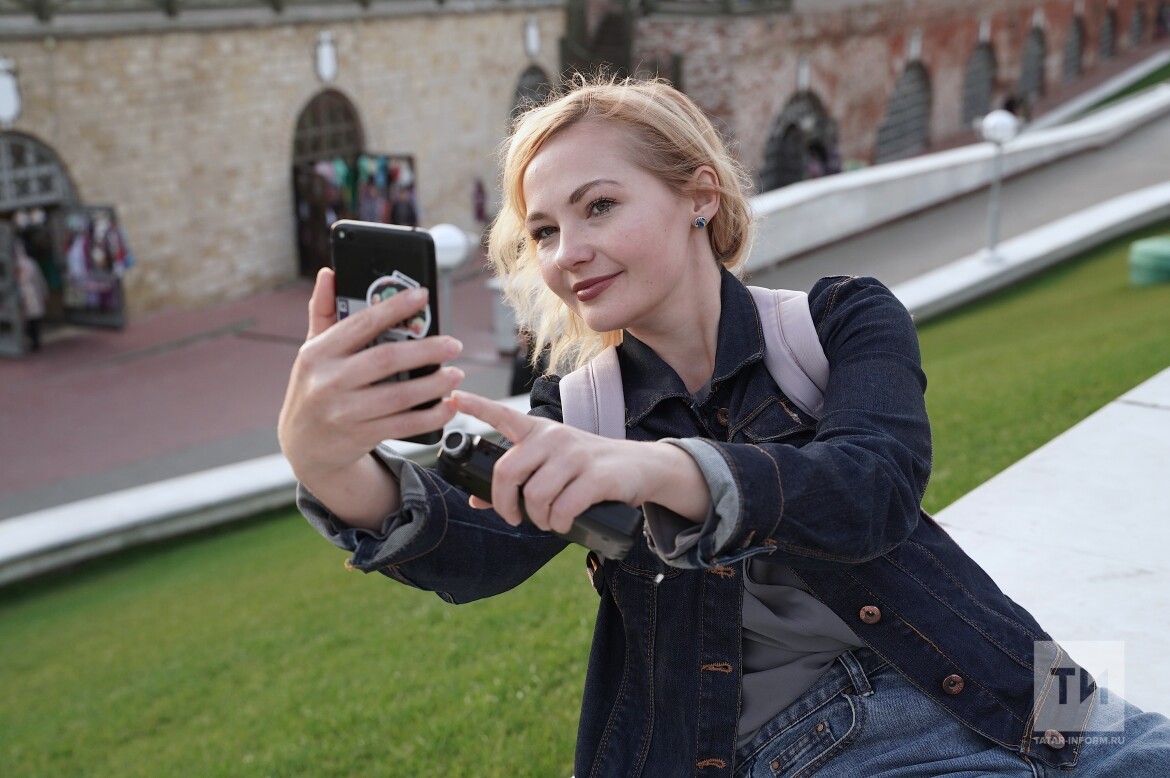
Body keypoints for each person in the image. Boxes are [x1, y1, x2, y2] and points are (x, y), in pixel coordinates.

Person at [278, 76, 1170, 776]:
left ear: (699, 195)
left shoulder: (843, 318)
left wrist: (661, 470)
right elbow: (473, 548)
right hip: (813, 738)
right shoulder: (580, 413)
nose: (566, 254)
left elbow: (874, 489)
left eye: (598, 206)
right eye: (543, 231)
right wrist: (326, 462)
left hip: (1015, 669)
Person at [16, 237, 49, 352]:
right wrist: (44, 292)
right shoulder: (30, 263)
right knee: (31, 320)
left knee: (29, 320)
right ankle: (34, 341)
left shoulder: (22, 264)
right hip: (29, 295)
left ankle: (33, 341)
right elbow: (40, 280)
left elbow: (38, 279)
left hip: (28, 294)